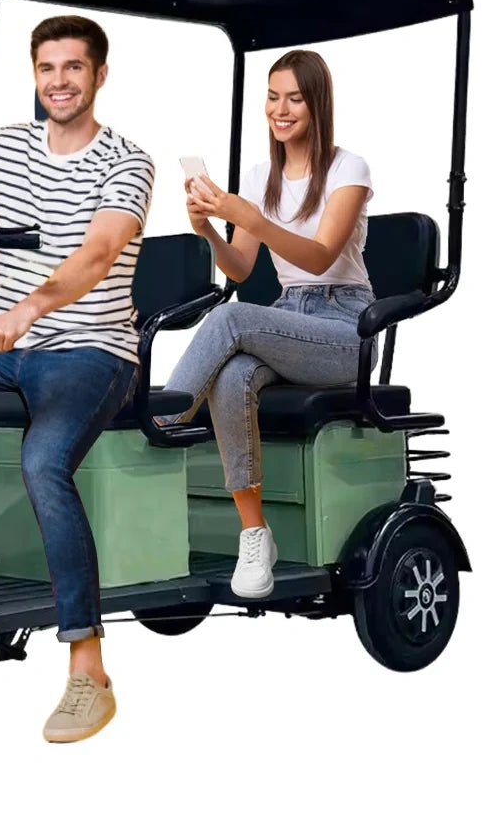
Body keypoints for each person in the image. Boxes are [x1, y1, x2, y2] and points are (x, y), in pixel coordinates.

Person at [0, 15, 155, 743]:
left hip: (92, 352)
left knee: (43, 460)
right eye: (47, 67)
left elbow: (95, 257)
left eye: (74, 67)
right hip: (10, 346)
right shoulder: (6, 147)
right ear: (34, 74)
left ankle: (88, 672)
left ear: (99, 76)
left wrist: (27, 309)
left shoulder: (128, 162)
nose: (59, 80)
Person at [160, 49, 376, 598]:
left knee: (230, 318)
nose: (280, 110)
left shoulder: (349, 169)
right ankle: (255, 534)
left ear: (316, 103)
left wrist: (250, 217)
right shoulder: (261, 176)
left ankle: (161, 421)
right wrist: (211, 230)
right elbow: (241, 267)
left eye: (294, 99)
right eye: (273, 97)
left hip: (345, 327)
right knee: (232, 377)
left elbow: (322, 256)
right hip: (288, 319)